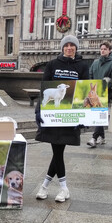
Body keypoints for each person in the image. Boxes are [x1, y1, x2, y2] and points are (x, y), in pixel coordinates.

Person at [35, 35, 89, 203]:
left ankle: (49, 187)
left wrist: (85, 116)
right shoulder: (52, 65)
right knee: (57, 151)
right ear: (62, 47)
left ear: (76, 48)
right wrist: (39, 111)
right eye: (67, 45)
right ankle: (61, 188)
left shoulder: (82, 66)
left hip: (70, 116)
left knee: (58, 151)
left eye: (72, 45)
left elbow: (85, 91)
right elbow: (43, 88)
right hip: (53, 116)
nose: (69, 48)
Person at [87, 41, 112, 148]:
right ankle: (102, 137)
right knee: (98, 114)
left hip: (105, 92)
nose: (103, 51)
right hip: (94, 93)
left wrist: (106, 84)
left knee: (98, 113)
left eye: (105, 49)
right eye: (101, 49)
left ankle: (94, 138)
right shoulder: (95, 62)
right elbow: (90, 74)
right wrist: (91, 86)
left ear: (109, 50)